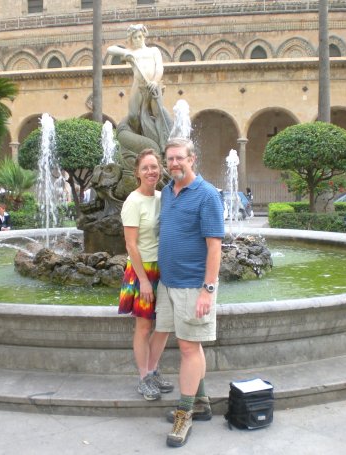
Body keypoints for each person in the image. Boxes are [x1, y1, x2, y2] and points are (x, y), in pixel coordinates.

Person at [156, 137, 225, 447]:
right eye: (169, 159)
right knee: (191, 347)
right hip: (169, 283)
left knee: (187, 348)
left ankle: (184, 415)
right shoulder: (169, 193)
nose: (174, 164)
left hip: (193, 285)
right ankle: (200, 400)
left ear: (192, 159)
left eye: (179, 158)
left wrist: (207, 291)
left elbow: (215, 246)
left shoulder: (207, 195)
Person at [119, 149, 173, 401]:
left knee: (164, 325)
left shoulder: (165, 197)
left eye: (154, 166)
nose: (151, 171)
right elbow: (131, 244)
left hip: (164, 267)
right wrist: (143, 280)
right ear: (137, 173)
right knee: (143, 326)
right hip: (143, 270)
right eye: (145, 168)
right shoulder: (133, 201)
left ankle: (152, 369)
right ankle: (143, 378)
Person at [107, 24, 171, 150]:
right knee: (132, 116)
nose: (137, 40)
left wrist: (154, 81)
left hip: (153, 85)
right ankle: (139, 139)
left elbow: (159, 68)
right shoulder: (131, 53)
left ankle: (162, 143)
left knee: (158, 114)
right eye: (134, 38)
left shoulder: (153, 51)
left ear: (144, 37)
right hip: (138, 85)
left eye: (139, 37)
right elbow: (110, 49)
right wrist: (125, 52)